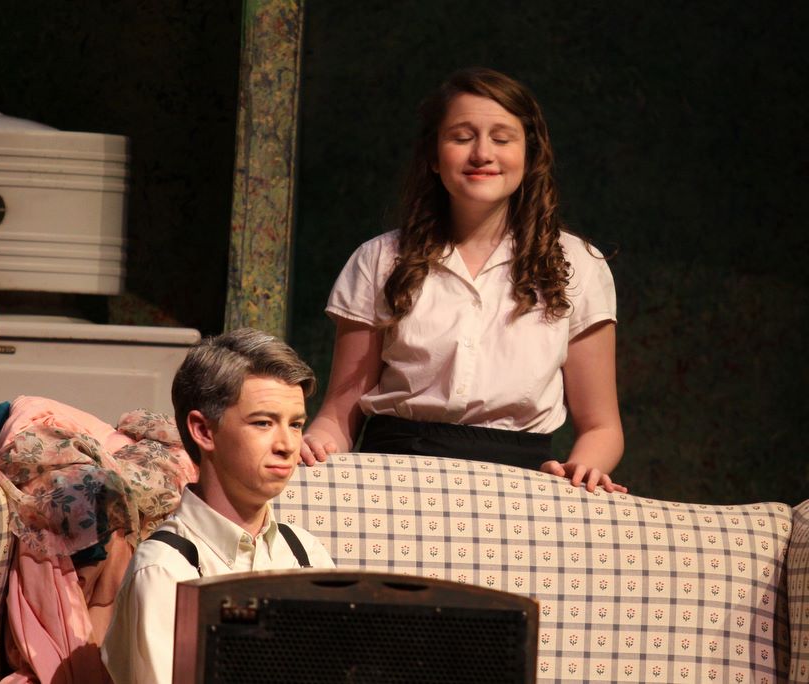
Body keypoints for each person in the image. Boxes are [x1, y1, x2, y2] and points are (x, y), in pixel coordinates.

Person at [301, 67, 625, 494]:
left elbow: (602, 427)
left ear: (530, 156)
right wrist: (315, 446)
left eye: (502, 139)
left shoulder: (578, 264)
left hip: (523, 487)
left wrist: (582, 470)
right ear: (434, 156)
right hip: (394, 477)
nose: (482, 153)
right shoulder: (379, 260)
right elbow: (339, 414)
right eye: (461, 137)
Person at [101, 328, 335, 684]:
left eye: (296, 425)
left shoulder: (305, 554)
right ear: (204, 431)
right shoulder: (167, 570)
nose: (287, 445)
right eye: (264, 423)